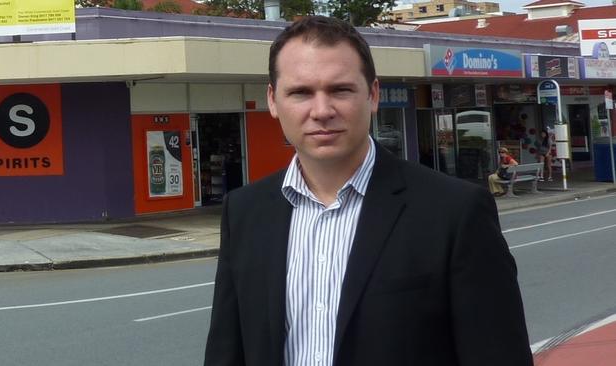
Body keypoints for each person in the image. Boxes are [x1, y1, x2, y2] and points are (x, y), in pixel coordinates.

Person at [205, 16, 533, 366]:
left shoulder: (455, 212)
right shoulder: (244, 211)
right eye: (300, 92)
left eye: (340, 90)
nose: (321, 111)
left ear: (373, 94)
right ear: (273, 100)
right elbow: (227, 352)